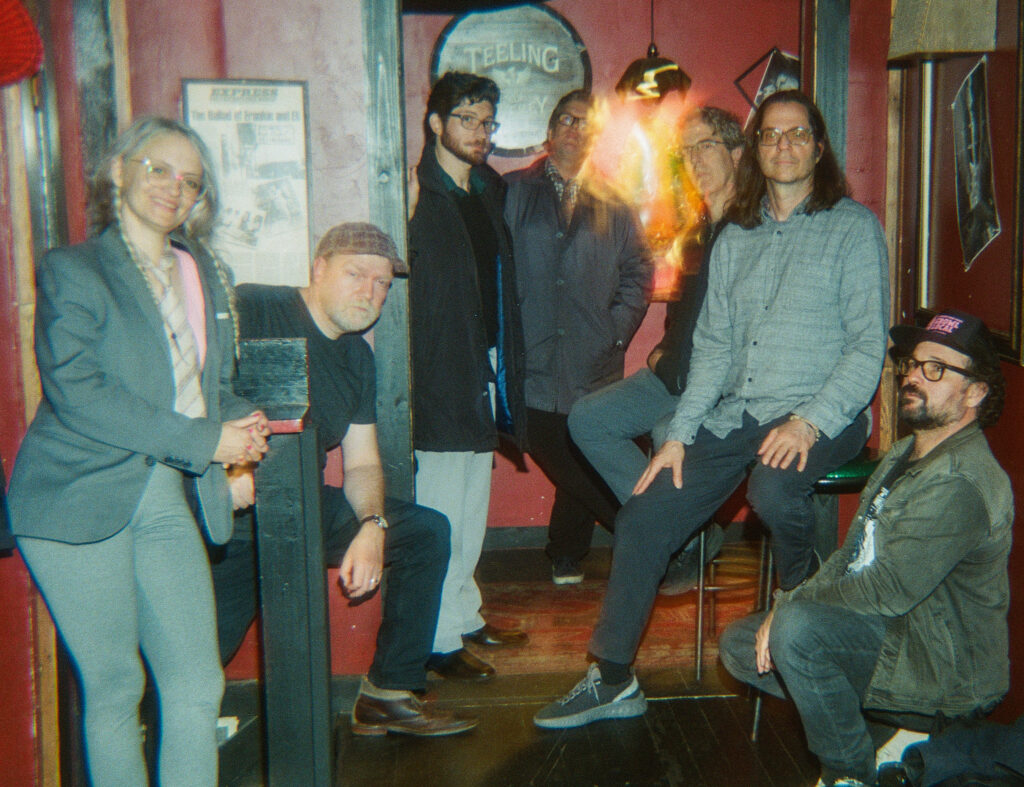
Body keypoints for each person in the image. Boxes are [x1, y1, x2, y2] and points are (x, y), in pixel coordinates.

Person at [534, 90, 889, 730]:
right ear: (756, 150)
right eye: (771, 135)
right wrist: (680, 435)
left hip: (822, 413)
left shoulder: (854, 227)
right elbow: (715, 349)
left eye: (797, 134)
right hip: (740, 414)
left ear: (819, 147)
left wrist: (809, 420)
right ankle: (612, 678)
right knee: (643, 511)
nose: (783, 146)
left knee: (775, 488)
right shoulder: (737, 238)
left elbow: (868, 346)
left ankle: (797, 603)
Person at [7, 116, 270, 785]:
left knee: (195, 683)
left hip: (163, 496)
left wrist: (242, 423)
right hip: (76, 497)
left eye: (190, 181)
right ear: (120, 170)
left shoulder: (201, 271)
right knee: (118, 685)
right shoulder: (74, 269)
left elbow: (210, 387)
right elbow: (79, 391)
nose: (172, 187)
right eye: (158, 168)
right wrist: (206, 440)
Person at [720, 309, 1012, 787]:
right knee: (740, 646)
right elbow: (851, 554)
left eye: (935, 369)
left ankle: (849, 774)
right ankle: (887, 735)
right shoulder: (906, 453)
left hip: (939, 668)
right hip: (894, 633)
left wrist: (792, 606)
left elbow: (886, 589)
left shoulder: (962, 482)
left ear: (976, 393)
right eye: (913, 365)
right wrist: (788, 606)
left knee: (795, 633)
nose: (914, 377)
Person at [210, 222, 476, 737]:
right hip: (227, 511)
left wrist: (373, 524)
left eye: (382, 283)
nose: (370, 292)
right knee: (197, 662)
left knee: (423, 532)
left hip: (299, 506)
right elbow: (193, 384)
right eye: (356, 274)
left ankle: (388, 694)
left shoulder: (357, 356)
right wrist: (228, 464)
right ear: (319, 269)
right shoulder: (254, 307)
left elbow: (362, 463)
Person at [568, 105, 744, 593]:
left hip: (714, 389)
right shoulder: (700, 230)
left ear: (736, 152)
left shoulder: (753, 230)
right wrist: (663, 349)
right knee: (587, 419)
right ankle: (687, 533)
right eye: (687, 152)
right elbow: (685, 315)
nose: (695, 160)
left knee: (671, 433)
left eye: (706, 145)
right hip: (672, 375)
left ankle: (673, 531)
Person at [408, 71, 529, 681]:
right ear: (435, 124)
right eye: (467, 120)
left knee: (472, 504)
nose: (480, 133)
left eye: (487, 123)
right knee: (439, 509)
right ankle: (435, 639)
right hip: (437, 370)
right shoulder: (415, 196)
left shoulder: (487, 191)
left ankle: (463, 611)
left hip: (485, 364)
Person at [504, 89, 651, 585]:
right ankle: (651, 536)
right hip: (533, 357)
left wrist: (615, 331)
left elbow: (639, 271)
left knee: (585, 446)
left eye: (584, 123)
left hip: (596, 357)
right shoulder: (512, 193)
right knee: (562, 451)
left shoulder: (617, 200)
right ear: (549, 133)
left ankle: (566, 550)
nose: (574, 128)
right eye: (565, 119)